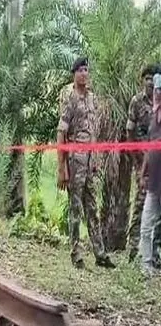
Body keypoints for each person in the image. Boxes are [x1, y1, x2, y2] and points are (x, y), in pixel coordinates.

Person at [56, 57, 115, 269]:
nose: (84, 73)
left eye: (86, 70)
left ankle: (100, 253)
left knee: (92, 207)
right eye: (80, 70)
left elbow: (94, 131)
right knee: (75, 207)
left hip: (90, 158)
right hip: (75, 157)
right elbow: (61, 132)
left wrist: (96, 159)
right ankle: (76, 254)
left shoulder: (92, 98)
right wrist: (61, 168)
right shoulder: (70, 99)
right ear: (74, 73)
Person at [127, 65, 159, 262]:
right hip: (142, 161)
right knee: (140, 205)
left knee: (155, 210)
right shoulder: (137, 102)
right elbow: (129, 132)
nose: (149, 82)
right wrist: (137, 159)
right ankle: (133, 248)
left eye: (152, 79)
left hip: (157, 163)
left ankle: (152, 253)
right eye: (146, 78)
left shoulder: (159, 103)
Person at [137, 73, 161, 276]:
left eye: (160, 90)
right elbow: (149, 148)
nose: (157, 93)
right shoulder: (154, 117)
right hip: (154, 180)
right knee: (146, 224)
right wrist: (143, 173)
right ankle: (146, 264)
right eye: (156, 90)